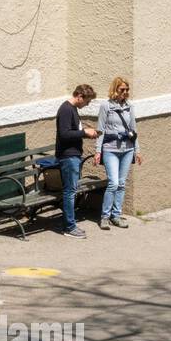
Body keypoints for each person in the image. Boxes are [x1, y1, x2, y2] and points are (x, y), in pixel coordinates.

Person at [95, 76, 142, 230]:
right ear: (115, 89)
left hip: (127, 149)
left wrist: (137, 150)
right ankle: (105, 217)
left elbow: (133, 130)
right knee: (113, 183)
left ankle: (116, 215)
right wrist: (98, 151)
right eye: (122, 89)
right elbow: (100, 130)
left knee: (121, 184)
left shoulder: (130, 106)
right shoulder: (106, 106)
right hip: (111, 149)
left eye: (127, 89)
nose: (125, 92)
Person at [55, 84, 99, 239]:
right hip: (68, 156)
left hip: (73, 155)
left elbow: (70, 131)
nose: (87, 104)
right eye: (87, 101)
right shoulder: (66, 109)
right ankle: (69, 227)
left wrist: (85, 131)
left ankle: (69, 223)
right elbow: (64, 134)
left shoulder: (72, 109)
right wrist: (84, 133)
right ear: (79, 96)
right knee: (69, 192)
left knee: (70, 191)